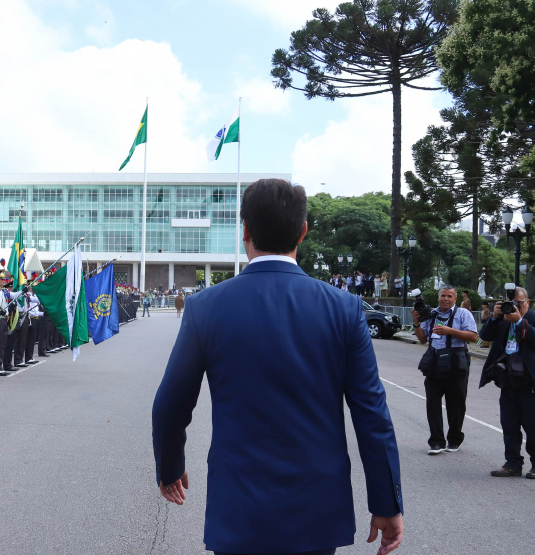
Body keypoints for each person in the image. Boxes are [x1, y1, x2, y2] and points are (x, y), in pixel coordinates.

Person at [152, 178, 403, 555]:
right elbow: (372, 415)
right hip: (317, 506)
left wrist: (170, 468)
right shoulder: (343, 308)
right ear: (303, 232)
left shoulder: (206, 307)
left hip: (239, 504)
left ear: (246, 231)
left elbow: (171, 404)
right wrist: (386, 503)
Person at [412, 285, 478, 454]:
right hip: (434, 360)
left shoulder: (463, 314)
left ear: (455, 298)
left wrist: (450, 331)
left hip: (456, 361)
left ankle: (455, 439)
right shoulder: (431, 314)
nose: (445, 299)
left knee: (456, 403)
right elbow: (422, 340)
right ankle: (436, 442)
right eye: (443, 296)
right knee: (432, 402)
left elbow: (473, 336)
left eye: (449, 296)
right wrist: (417, 323)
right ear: (438, 297)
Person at [478, 287, 535, 478]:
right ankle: (512, 464)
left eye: (518, 302)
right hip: (508, 380)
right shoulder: (502, 319)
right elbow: (485, 336)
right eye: (511, 302)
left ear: (527, 302)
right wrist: (494, 317)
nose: (514, 306)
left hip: (529, 382)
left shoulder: (532, 318)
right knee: (509, 424)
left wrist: (519, 321)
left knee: (532, 425)